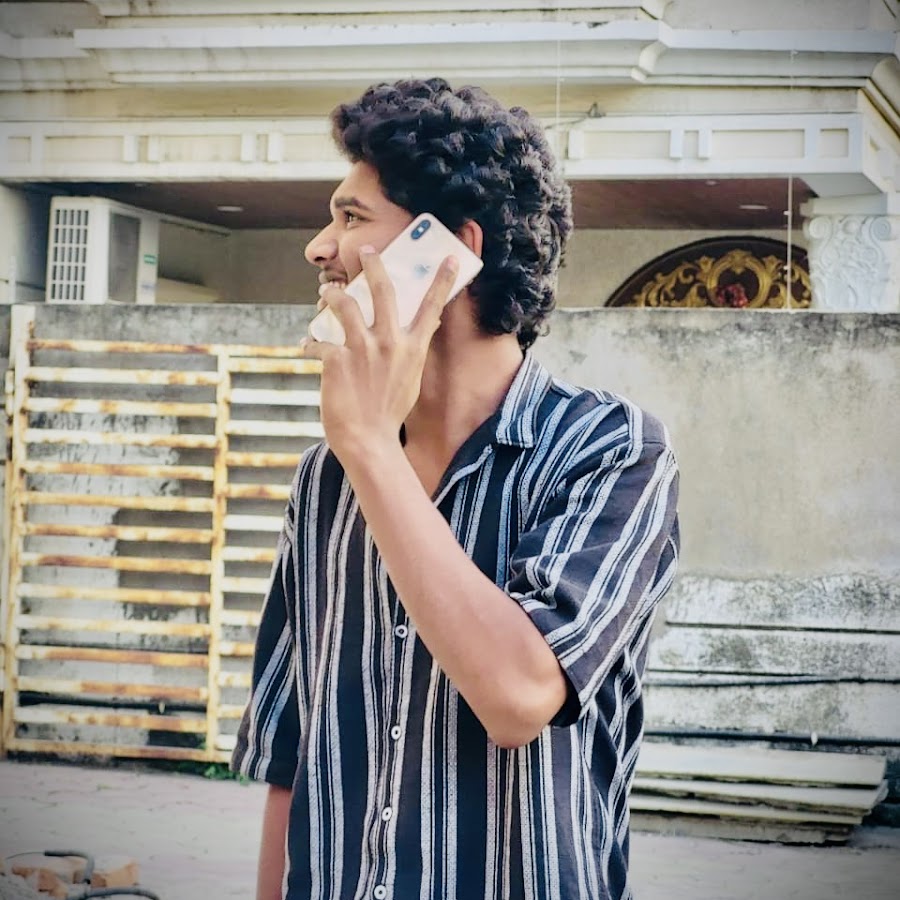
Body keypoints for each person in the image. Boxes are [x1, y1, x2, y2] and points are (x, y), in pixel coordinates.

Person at [232, 77, 679, 900]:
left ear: (448, 251)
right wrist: (363, 449)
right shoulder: (326, 476)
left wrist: (372, 446)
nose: (319, 248)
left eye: (352, 217)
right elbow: (292, 755)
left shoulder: (609, 450)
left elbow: (519, 697)